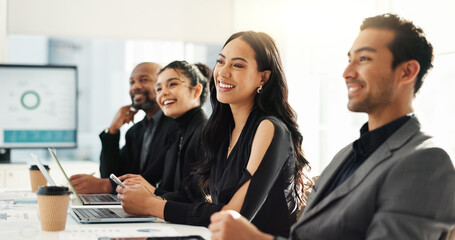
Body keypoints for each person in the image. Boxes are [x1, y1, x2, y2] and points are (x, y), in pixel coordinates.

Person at [208, 13, 455, 240]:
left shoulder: (426, 161)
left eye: (364, 59)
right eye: (349, 60)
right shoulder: (345, 155)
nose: (347, 72)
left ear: (407, 71)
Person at [116, 31, 311, 237]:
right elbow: (193, 196)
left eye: (237, 65)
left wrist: (151, 205)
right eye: (220, 62)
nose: (223, 72)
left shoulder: (269, 128)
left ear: (263, 77)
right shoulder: (221, 130)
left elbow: (234, 216)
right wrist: (148, 196)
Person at [70, 62, 178, 193]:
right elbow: (110, 175)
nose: (135, 87)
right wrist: (113, 131)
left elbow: (157, 176)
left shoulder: (176, 125)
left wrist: (105, 185)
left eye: (144, 80)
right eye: (131, 82)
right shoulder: (136, 131)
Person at [118, 60, 210, 196]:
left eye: (172, 84)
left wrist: (151, 193)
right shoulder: (180, 132)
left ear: (196, 91)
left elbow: (195, 200)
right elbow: (167, 188)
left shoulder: (204, 133)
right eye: (159, 89)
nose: (163, 93)